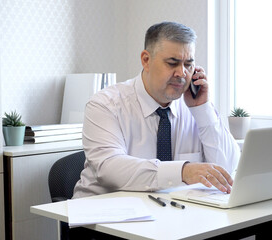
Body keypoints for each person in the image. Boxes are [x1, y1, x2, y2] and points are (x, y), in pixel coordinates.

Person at [73, 21, 240, 199]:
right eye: (172, 63)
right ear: (146, 60)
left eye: (188, 64)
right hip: (102, 215)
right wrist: (182, 171)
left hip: (169, 214)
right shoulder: (105, 104)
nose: (182, 73)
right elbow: (109, 169)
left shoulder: (193, 107)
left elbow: (228, 167)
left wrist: (202, 109)